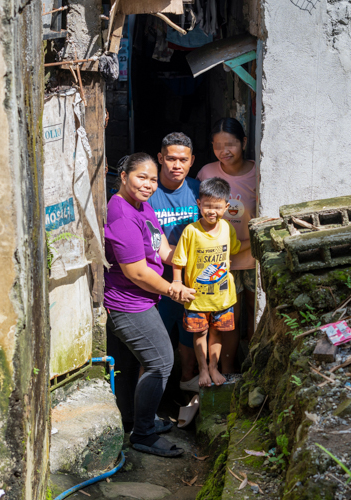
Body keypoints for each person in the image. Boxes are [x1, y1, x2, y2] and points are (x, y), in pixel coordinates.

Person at [104, 153, 196, 458]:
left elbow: (162, 248)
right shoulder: (120, 213)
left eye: (153, 179)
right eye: (141, 177)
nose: (148, 184)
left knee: (142, 365)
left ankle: (137, 421)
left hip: (143, 299)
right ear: (124, 176)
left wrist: (194, 262)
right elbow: (137, 271)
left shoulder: (142, 207)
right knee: (160, 363)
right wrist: (173, 289)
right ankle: (142, 434)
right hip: (128, 304)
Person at [172, 178, 250, 387]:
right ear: (199, 204)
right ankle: (203, 369)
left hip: (222, 296)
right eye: (207, 206)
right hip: (197, 297)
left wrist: (255, 239)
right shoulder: (191, 231)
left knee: (217, 333)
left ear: (226, 207)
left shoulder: (226, 228)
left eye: (217, 207)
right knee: (200, 333)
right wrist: (178, 283)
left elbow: (234, 248)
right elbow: (178, 261)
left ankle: (214, 368)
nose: (211, 211)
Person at [197, 118, 257, 372]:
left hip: (254, 259)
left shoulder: (260, 172)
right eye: (218, 146)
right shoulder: (207, 173)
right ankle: (229, 371)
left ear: (243, 142)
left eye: (230, 144)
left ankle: (256, 368)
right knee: (228, 320)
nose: (224, 151)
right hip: (221, 264)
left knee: (258, 316)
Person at [147, 132, 201, 392]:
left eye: (183, 159)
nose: (176, 165)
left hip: (193, 282)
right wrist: (178, 261)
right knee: (154, 345)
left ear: (192, 161)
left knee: (191, 337)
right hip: (157, 282)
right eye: (170, 158)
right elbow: (156, 243)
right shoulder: (148, 191)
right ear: (160, 158)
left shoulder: (198, 190)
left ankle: (185, 387)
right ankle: (149, 404)